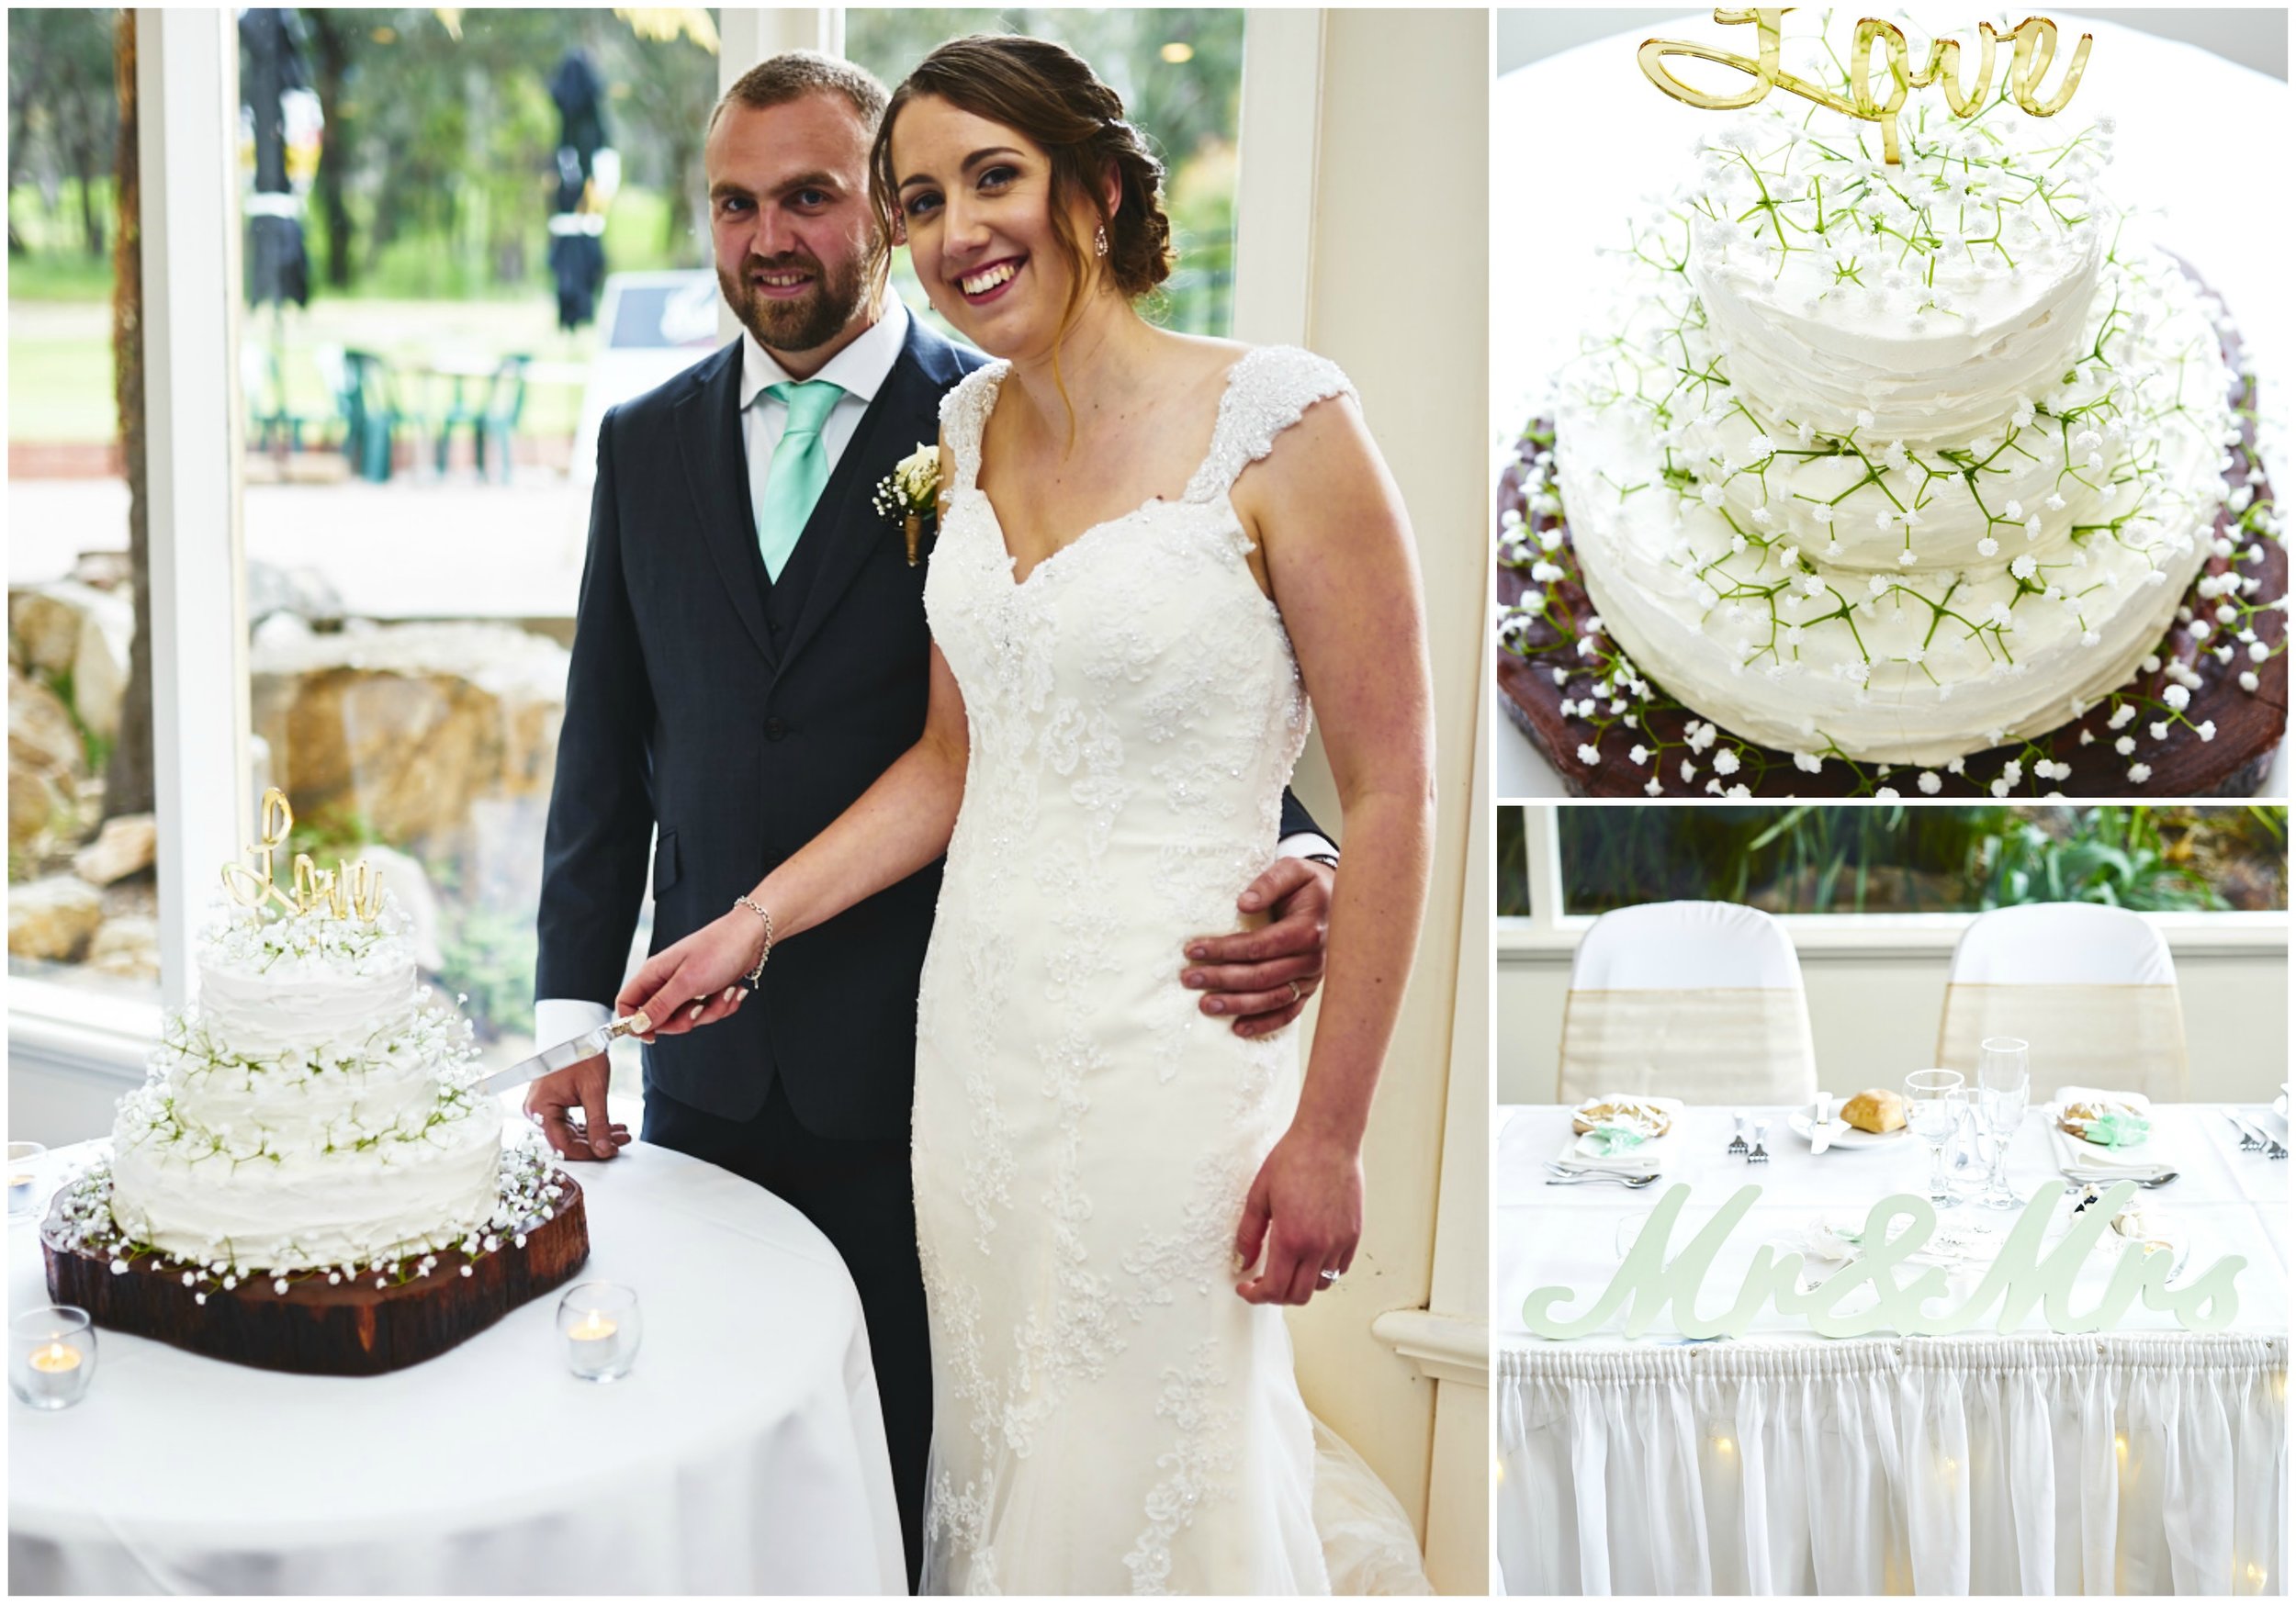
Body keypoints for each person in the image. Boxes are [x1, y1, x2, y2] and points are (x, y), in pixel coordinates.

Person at [615, 36, 1435, 1595]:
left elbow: (1394, 792)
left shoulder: (1286, 425)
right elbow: (951, 759)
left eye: (994, 176)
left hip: (1174, 1059)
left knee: (1145, 1463)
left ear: (1099, 188)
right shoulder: (967, 438)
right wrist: (752, 919)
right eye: (922, 199)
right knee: (999, 1446)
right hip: (974, 1049)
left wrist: (1332, 1133)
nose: (958, 229)